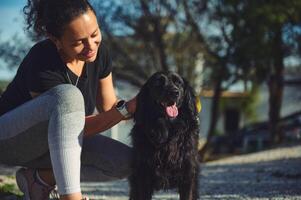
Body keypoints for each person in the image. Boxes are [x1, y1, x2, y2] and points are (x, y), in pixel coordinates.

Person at [0, 0, 136, 199]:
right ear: (56, 40)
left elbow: (109, 107)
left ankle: (39, 180)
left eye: (95, 34)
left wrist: (144, 104)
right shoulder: (42, 58)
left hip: (53, 147)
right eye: (78, 42)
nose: (90, 46)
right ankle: (70, 197)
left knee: (130, 162)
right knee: (68, 96)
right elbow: (71, 127)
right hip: (11, 141)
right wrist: (126, 110)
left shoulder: (99, 53)